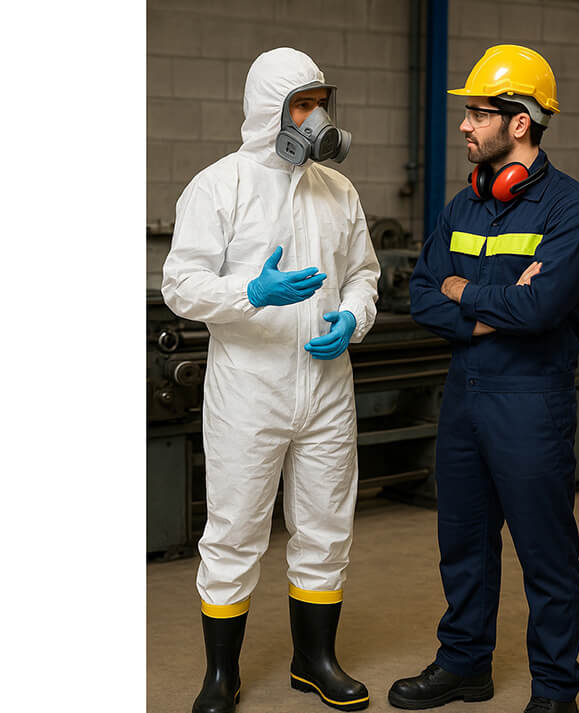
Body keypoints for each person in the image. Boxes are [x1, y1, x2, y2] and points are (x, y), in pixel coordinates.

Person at [161, 47, 380, 713]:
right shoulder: (217, 185)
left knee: (325, 526)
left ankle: (314, 659)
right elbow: (180, 283)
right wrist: (251, 291)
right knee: (235, 529)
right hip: (249, 390)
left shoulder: (338, 190)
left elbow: (365, 273)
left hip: (325, 387)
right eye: (303, 105)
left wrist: (352, 317)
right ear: (270, 110)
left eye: (321, 102)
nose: (317, 118)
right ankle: (221, 675)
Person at [389, 45, 579, 713]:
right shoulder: (464, 205)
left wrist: (465, 294)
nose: (464, 126)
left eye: (476, 114)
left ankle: (555, 690)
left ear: (519, 122)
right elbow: (420, 294)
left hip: (530, 402)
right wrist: (488, 306)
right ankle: (464, 664)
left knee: (545, 552)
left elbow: (541, 308)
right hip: (466, 397)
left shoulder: (574, 210)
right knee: (463, 538)